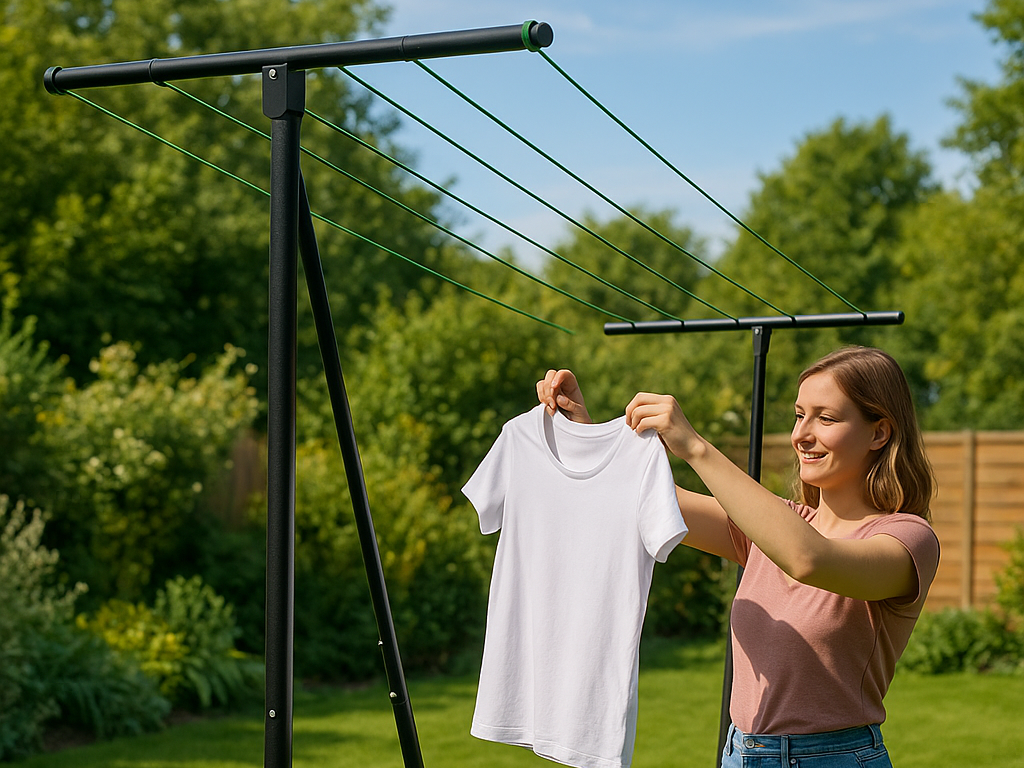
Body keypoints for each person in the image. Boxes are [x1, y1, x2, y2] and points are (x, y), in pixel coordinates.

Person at [536, 346, 939, 768]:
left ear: (879, 433)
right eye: (800, 415)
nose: (802, 434)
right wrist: (579, 430)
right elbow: (631, 499)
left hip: (833, 758)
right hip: (741, 755)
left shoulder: (907, 539)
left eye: (826, 418)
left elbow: (808, 558)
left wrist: (695, 448)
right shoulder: (773, 525)